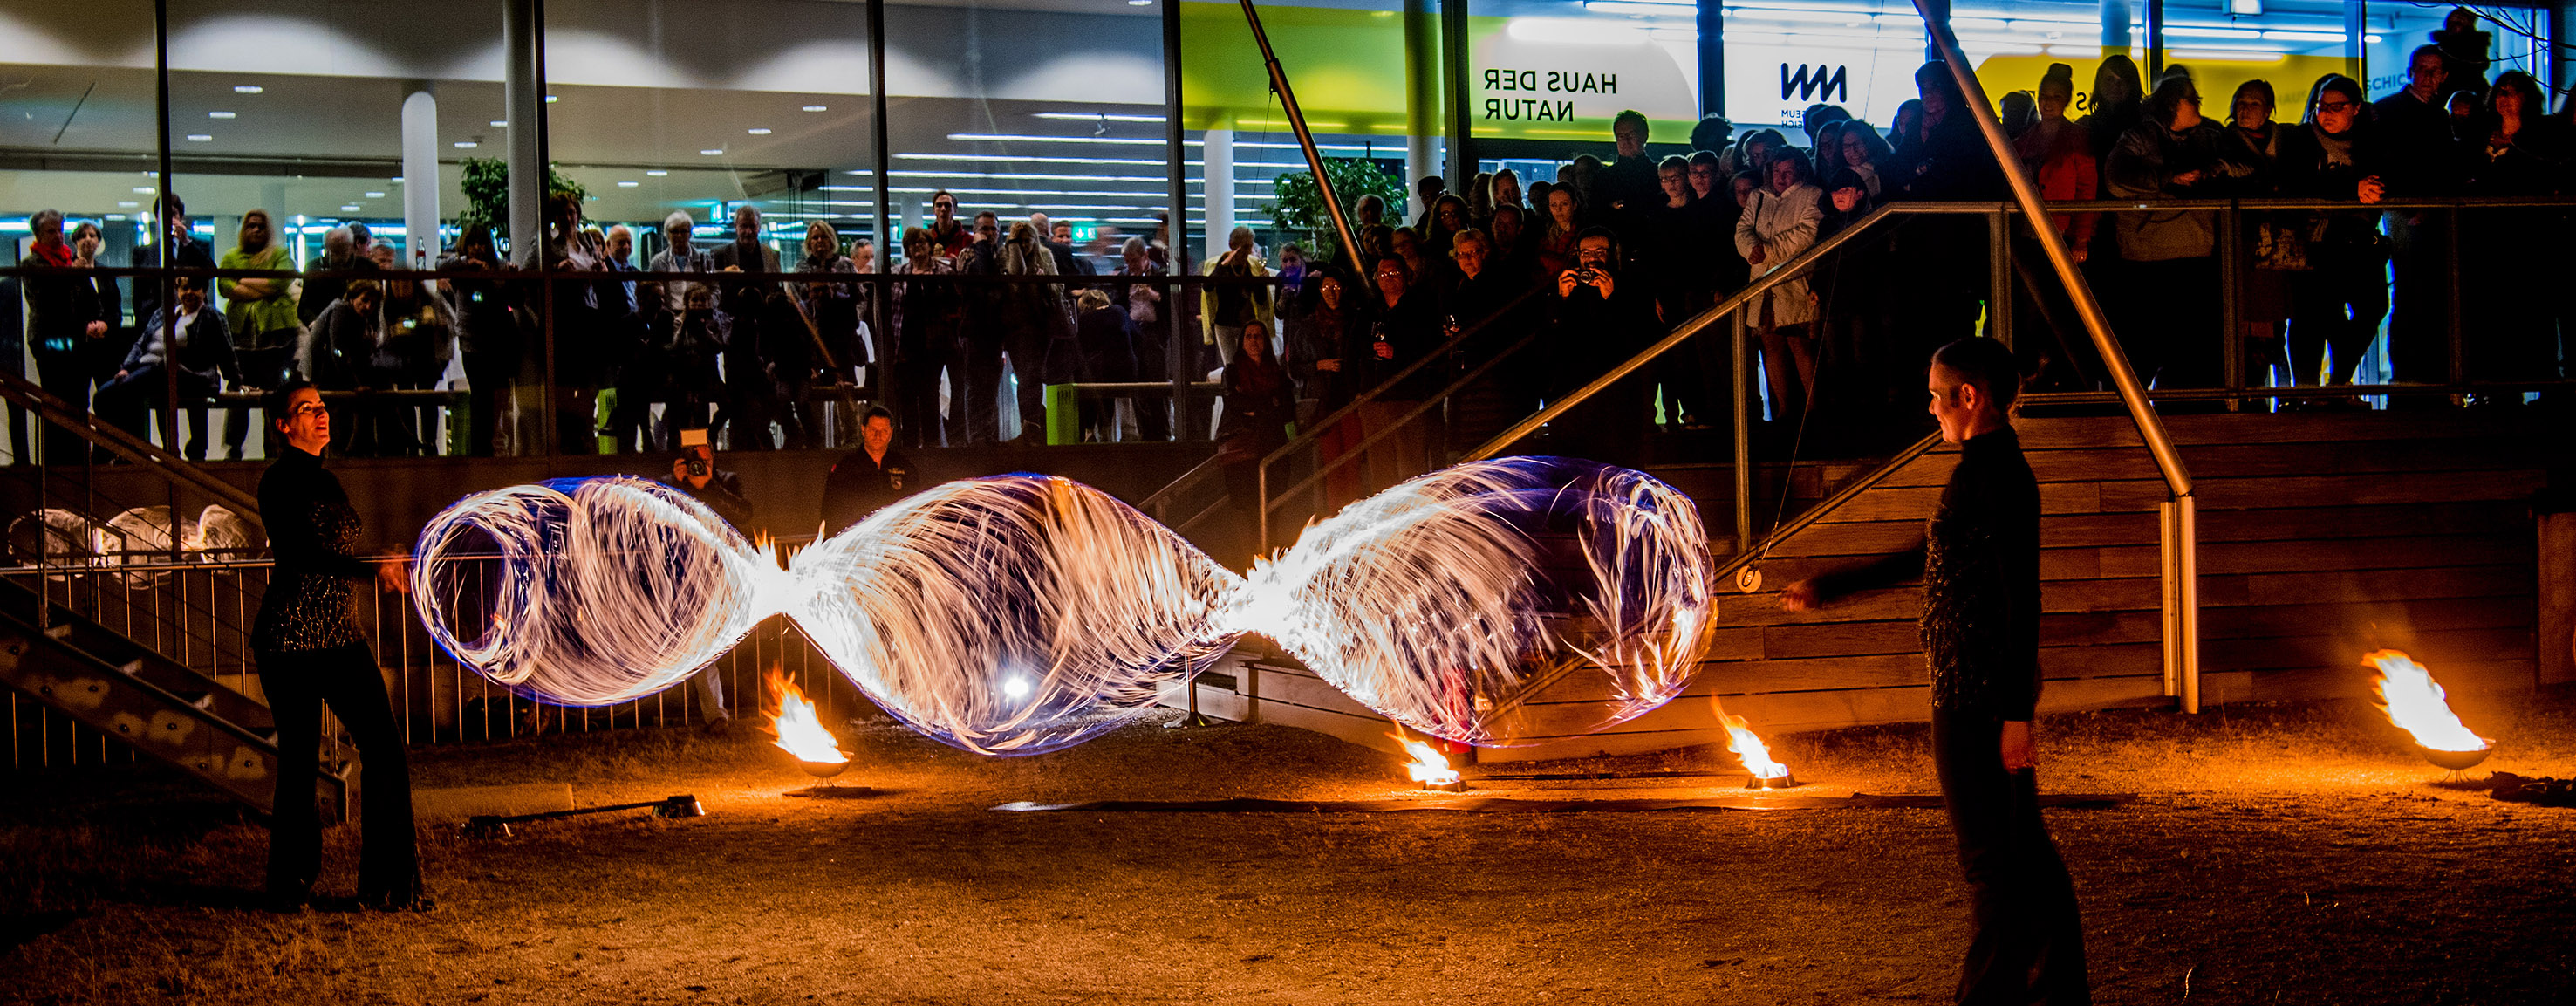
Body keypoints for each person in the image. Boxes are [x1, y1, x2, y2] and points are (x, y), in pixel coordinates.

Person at [1780, 338, 2087, 1005]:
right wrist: (1832, 585)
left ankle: (1992, 994)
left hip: (1977, 694)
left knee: (1992, 858)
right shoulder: (1983, 469)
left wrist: (2013, 713)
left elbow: (2021, 596)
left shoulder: (1998, 474)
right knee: (2021, 849)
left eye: (1934, 393)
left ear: (1968, 397)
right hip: (1976, 687)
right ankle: (2058, 987)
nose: (1929, 407)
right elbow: (1930, 555)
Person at [252, 380, 423, 912]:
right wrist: (370, 570)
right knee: (300, 760)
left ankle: (390, 886)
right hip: (290, 640)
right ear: (284, 426)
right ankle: (290, 885)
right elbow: (305, 555)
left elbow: (336, 551)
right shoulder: (277, 483)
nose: (321, 415)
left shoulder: (328, 482)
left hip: (339, 637)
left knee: (386, 749)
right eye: (307, 410)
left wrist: (380, 559)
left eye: (323, 407)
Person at [2106, 75, 2242, 390]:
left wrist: (2218, 167)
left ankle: (2184, 421)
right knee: (2143, 348)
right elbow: (2116, 180)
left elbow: (2248, 165)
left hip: (2195, 254)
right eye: (2192, 98)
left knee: (2189, 353)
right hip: (2147, 259)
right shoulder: (2138, 137)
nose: (2199, 103)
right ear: (2172, 103)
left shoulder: (2210, 137)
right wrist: (2170, 178)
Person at [2274, 73, 2388, 397]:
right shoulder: (2300, 140)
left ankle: (2339, 381)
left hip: (2360, 241)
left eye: (2337, 106)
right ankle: (2309, 391)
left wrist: (2378, 190)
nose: (2327, 113)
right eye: (2323, 105)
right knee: (2314, 318)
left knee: (2373, 307)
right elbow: (2300, 183)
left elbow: (2391, 174)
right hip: (2314, 242)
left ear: (2356, 109)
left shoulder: (2371, 141)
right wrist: (2354, 189)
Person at [2376, 45, 2462, 396]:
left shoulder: (2439, 116)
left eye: (2434, 70)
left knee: (2427, 290)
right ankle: (2409, 370)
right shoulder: (2391, 112)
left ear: (2443, 77)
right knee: (2412, 289)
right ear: (2411, 71)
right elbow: (2388, 164)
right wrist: (2413, 205)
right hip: (2407, 213)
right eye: (2422, 69)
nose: (2427, 77)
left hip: (2429, 214)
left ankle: (2423, 369)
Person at [659, 427, 753, 727]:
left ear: (713, 455)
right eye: (692, 456)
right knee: (702, 644)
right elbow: (659, 520)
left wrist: (709, 485)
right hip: (688, 576)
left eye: (703, 455)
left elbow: (744, 513)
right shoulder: (673, 485)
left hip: (727, 573)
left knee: (737, 642)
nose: (699, 461)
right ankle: (716, 716)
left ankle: (757, 702)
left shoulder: (727, 481)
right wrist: (678, 482)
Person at [96, 275, 236, 457]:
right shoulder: (164, 313)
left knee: (117, 394)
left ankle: (147, 451)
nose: (188, 293)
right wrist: (127, 368)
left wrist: (236, 380)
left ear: (204, 291)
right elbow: (141, 343)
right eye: (184, 289)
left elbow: (226, 351)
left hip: (186, 375)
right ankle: (134, 450)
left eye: (194, 288)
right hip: (151, 371)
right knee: (108, 396)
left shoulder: (212, 317)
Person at [1548, 227, 1653, 468]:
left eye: (1599, 252)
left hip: (1617, 398)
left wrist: (1612, 298)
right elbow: (1549, 341)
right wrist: (1560, 299)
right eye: (1585, 253)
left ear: (1613, 255)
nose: (1592, 259)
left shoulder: (1632, 285)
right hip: (1574, 398)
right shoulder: (1569, 288)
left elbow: (1639, 340)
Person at [1737, 149, 1825, 425]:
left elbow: (1807, 233)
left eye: (1787, 171)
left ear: (1799, 170)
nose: (1781, 177)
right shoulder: (1758, 196)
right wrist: (1751, 249)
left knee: (1800, 347)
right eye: (1777, 171)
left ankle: (1812, 408)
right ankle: (1784, 409)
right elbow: (1742, 229)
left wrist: (1768, 250)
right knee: (1771, 346)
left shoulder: (1812, 195)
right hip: (1763, 282)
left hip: (1793, 280)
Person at [1217, 320, 1295, 564]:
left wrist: (1256, 408)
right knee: (1250, 510)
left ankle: (1270, 558)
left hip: (1274, 448)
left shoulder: (1277, 373)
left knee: (1273, 509)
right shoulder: (1232, 372)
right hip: (1245, 452)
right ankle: (1253, 561)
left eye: (1258, 336)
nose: (1253, 341)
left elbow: (1288, 408)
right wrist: (1270, 404)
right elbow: (1235, 404)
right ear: (1242, 342)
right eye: (1248, 336)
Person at [818, 407, 916, 537]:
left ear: (891, 433)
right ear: (863, 430)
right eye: (873, 430)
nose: (878, 435)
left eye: (884, 431)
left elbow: (916, 510)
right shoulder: (846, 468)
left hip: (895, 542)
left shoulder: (905, 467)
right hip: (857, 543)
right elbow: (830, 513)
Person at [1070, 288, 1137, 441]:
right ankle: (1110, 431)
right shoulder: (1120, 312)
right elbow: (1137, 334)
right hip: (1126, 369)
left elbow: (1079, 347)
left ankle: (1089, 431)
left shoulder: (1084, 319)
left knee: (1090, 391)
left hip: (1099, 371)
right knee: (1111, 395)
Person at [1202, 225, 1271, 367]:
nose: (1248, 252)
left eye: (1250, 247)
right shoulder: (1219, 265)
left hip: (1246, 324)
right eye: (1244, 247)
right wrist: (1223, 266)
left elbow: (1261, 299)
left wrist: (1261, 282)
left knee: (1249, 363)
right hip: (1223, 323)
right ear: (1232, 245)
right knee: (1230, 365)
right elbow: (1207, 287)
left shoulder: (1252, 265)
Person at [647, 211, 715, 313]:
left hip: (699, 315)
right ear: (667, 234)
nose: (679, 236)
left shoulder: (703, 259)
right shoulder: (657, 262)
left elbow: (715, 290)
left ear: (690, 234)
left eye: (683, 231)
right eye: (674, 231)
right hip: (669, 318)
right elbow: (651, 293)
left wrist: (706, 306)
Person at [926, 190, 970, 262]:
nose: (943, 209)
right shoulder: (925, 240)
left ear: (955, 210)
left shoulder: (968, 241)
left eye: (947, 205)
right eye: (939, 205)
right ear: (934, 210)